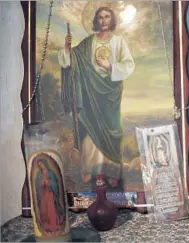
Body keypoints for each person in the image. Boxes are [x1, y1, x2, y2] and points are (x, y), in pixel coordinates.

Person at [58, 6, 135, 188]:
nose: (103, 20)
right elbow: (73, 61)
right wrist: (68, 50)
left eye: (107, 17)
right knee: (90, 131)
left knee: (113, 130)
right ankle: (90, 169)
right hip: (90, 94)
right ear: (96, 21)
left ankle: (112, 171)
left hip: (110, 94)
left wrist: (110, 66)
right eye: (100, 17)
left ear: (112, 20)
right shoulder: (88, 43)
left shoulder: (119, 42)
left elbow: (129, 65)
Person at [36, 160, 63, 232]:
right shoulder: (39, 174)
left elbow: (55, 183)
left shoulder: (51, 172)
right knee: (45, 211)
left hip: (50, 194)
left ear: (44, 164)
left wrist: (49, 183)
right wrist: (42, 184)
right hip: (43, 195)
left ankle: (54, 225)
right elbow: (37, 186)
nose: (41, 166)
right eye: (39, 165)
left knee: (52, 210)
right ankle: (47, 226)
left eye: (41, 164)